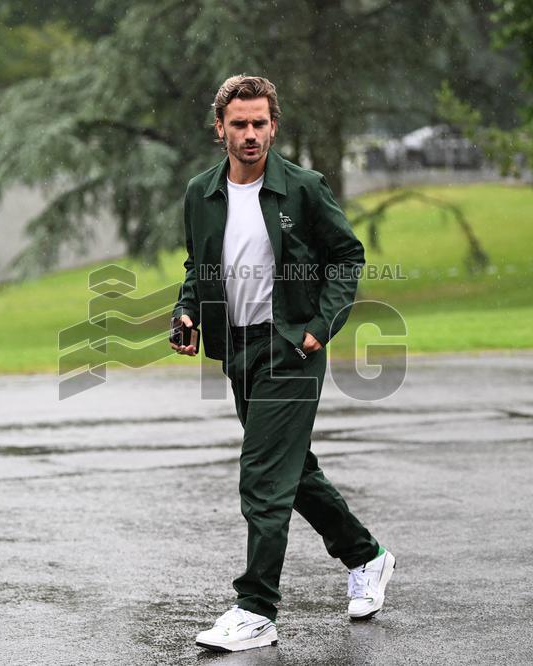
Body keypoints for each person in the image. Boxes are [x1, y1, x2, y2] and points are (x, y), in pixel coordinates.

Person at [170, 74, 394, 653]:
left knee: (264, 478)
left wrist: (321, 326)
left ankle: (256, 609)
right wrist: (188, 313)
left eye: (260, 123)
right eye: (239, 124)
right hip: (237, 350)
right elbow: (198, 266)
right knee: (293, 472)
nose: (251, 135)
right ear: (219, 128)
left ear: (274, 124)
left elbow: (347, 254)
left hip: (291, 349)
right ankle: (366, 556)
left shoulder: (303, 188)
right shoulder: (201, 193)